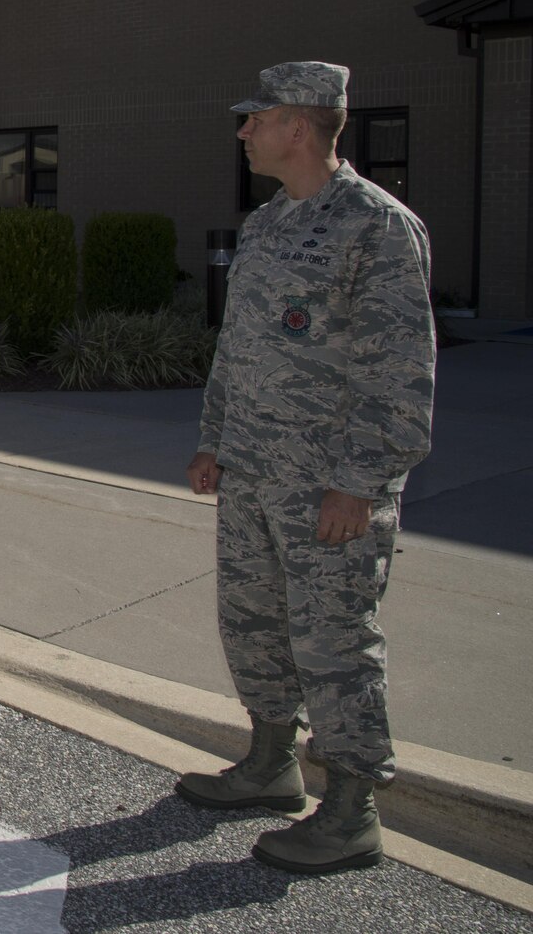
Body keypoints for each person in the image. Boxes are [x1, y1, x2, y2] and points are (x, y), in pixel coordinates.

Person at [176, 61, 434, 875]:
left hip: (327, 488)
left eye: (257, 118)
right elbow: (237, 348)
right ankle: (269, 763)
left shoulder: (377, 226)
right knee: (253, 624)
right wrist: (214, 437)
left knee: (333, 643)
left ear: (301, 125)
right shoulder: (266, 225)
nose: (244, 130)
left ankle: (351, 810)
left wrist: (360, 483)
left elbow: (403, 372)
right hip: (252, 473)